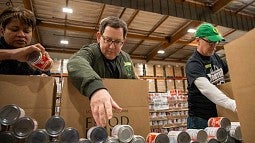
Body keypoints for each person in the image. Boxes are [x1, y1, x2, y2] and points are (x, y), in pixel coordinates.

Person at [67, 16, 137, 127]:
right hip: (92, 119)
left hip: (121, 118)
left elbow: (133, 80)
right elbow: (75, 62)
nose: (112, 46)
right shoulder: (90, 52)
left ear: (123, 42)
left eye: (118, 42)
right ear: (99, 37)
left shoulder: (126, 58)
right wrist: (96, 88)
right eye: (108, 40)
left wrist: (141, 92)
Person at [185, 23, 237, 129]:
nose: (214, 47)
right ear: (198, 41)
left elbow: (231, 72)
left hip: (219, 114)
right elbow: (206, 88)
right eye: (210, 43)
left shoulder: (215, 57)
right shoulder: (193, 63)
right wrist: (232, 104)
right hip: (201, 119)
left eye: (215, 42)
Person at [0, 7, 53, 75]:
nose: (21, 34)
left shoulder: (34, 54)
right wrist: (12, 54)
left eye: (26, 31)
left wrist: (45, 69)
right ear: (2, 31)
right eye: (14, 30)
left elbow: (45, 79)